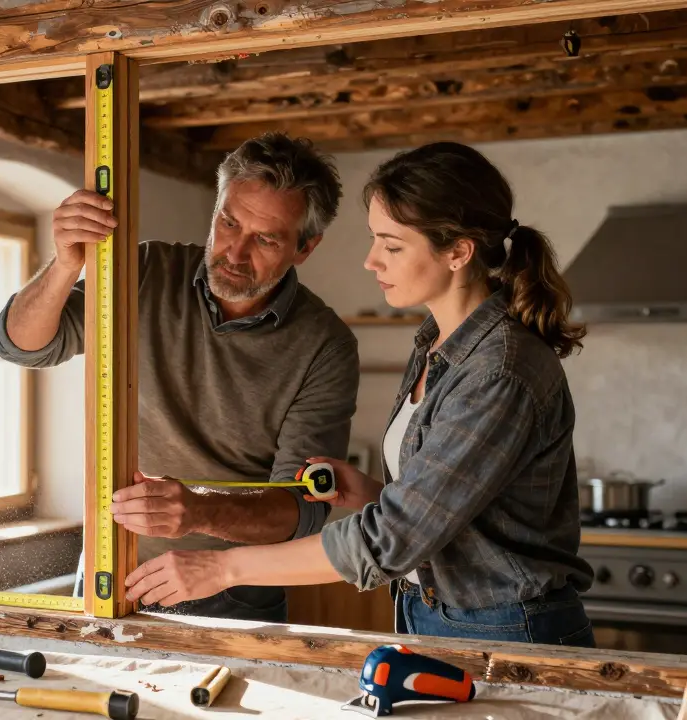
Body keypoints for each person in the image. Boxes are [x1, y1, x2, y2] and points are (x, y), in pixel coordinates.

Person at [122, 141, 597, 647]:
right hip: (432, 613)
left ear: (458, 251)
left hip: (507, 629)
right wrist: (370, 492)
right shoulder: (435, 343)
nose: (371, 260)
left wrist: (221, 569)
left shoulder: (499, 371)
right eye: (375, 239)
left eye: (392, 245)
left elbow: (390, 540)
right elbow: (445, 515)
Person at [0, 133, 360, 622]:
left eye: (266, 239)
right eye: (229, 223)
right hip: (107, 575)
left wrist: (202, 511)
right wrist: (65, 264)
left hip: (233, 593)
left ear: (305, 247)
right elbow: (22, 346)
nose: (235, 251)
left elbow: (303, 508)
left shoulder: (325, 345)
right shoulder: (144, 270)